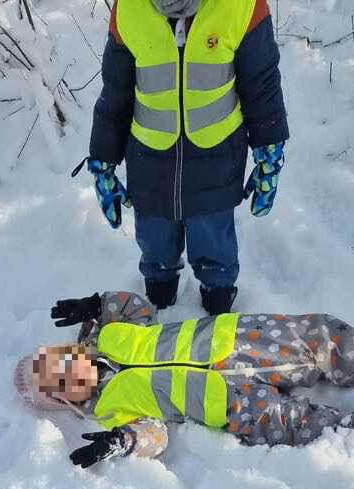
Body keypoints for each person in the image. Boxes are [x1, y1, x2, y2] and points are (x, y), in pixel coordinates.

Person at [13, 290, 354, 475]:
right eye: (62, 383)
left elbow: (138, 307)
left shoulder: (109, 334)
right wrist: (122, 441)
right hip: (226, 404)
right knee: (293, 424)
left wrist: (98, 304)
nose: (71, 374)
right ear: (67, 401)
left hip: (236, 340)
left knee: (311, 335)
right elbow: (154, 434)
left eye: (61, 363)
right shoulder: (108, 410)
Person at [82, 0, 288, 314]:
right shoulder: (129, 9)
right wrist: (102, 160)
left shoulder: (244, 6)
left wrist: (270, 148)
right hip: (149, 161)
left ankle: (217, 292)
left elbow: (262, 86)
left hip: (217, 158)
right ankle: (160, 285)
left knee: (214, 239)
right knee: (155, 242)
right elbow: (115, 93)